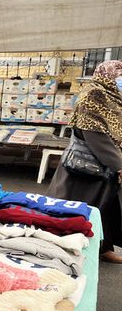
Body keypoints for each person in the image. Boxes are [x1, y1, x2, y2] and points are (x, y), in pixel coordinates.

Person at [47, 60, 122, 263]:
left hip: (105, 167)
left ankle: (102, 248)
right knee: (77, 209)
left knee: (104, 209)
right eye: (119, 75)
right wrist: (119, 164)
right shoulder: (94, 95)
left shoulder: (114, 97)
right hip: (85, 168)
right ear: (107, 75)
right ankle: (65, 249)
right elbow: (94, 134)